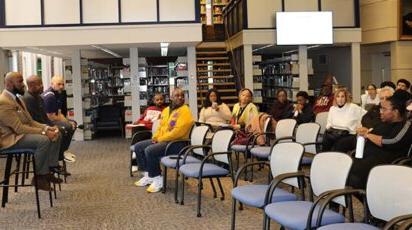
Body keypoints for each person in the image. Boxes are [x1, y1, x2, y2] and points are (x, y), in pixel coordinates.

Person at [0, 72, 62, 191]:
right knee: (43, 140)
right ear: (9, 84)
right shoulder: (3, 102)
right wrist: (44, 133)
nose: (23, 84)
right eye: (20, 81)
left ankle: (49, 170)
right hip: (10, 139)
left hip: (21, 134)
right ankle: (40, 178)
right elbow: (18, 128)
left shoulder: (18, 100)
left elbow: (30, 121)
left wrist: (47, 128)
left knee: (55, 134)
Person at [348, 90, 412, 190]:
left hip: (385, 163)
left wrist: (368, 135)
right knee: (342, 170)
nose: (380, 112)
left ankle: (369, 200)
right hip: (368, 158)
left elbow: (392, 141)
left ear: (395, 111)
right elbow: (369, 136)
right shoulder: (383, 123)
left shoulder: (405, 126)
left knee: (350, 177)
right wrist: (363, 135)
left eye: (384, 109)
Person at [133, 88, 194, 193]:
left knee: (150, 150)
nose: (180, 97)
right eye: (177, 95)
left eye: (182, 95)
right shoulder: (166, 110)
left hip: (178, 143)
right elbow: (160, 127)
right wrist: (155, 138)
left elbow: (177, 132)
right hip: (165, 140)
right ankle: (148, 175)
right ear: (171, 98)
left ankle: (157, 178)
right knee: (138, 147)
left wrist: (160, 139)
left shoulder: (185, 111)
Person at [23, 75, 71, 176]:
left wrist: (51, 127)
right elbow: (33, 121)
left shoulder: (39, 98)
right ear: (31, 86)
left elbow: (44, 118)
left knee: (60, 131)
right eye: (39, 85)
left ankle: (53, 163)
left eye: (42, 84)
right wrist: (46, 129)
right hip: (33, 129)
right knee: (58, 132)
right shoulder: (28, 99)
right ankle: (46, 170)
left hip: (41, 125)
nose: (42, 86)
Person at [42, 76, 76, 163]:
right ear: (52, 84)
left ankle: (63, 150)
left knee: (72, 124)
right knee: (67, 127)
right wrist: (67, 123)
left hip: (51, 119)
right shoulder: (50, 97)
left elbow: (59, 114)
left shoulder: (57, 94)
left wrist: (68, 121)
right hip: (44, 122)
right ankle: (60, 154)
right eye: (58, 84)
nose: (61, 86)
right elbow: (51, 117)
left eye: (62, 84)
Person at [323, 88, 366, 152]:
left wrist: (361, 127)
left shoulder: (353, 107)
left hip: (350, 135)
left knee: (339, 144)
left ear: (346, 97)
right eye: (338, 96)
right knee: (326, 138)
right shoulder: (332, 108)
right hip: (335, 133)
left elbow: (366, 115)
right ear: (335, 98)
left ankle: (337, 160)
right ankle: (325, 158)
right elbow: (329, 123)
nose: (340, 99)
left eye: (342, 96)